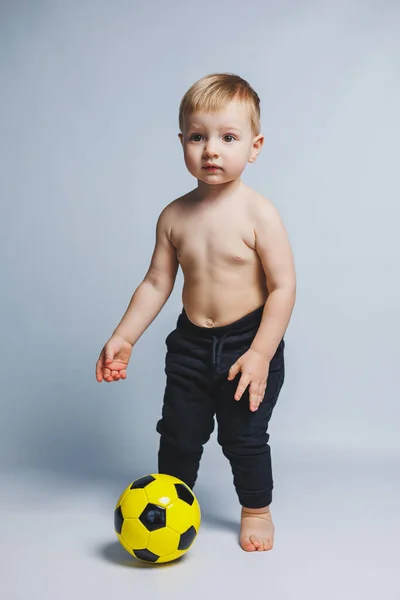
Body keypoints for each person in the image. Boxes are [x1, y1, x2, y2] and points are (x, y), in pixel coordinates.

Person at [96, 73, 296, 552]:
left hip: (247, 343)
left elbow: (284, 287)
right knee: (180, 434)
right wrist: (124, 336)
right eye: (198, 137)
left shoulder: (258, 213)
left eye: (228, 138)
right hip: (189, 345)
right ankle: (171, 502)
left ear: (254, 146)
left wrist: (261, 353)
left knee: (243, 437)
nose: (211, 149)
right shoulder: (174, 216)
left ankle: (256, 509)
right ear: (182, 142)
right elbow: (156, 283)